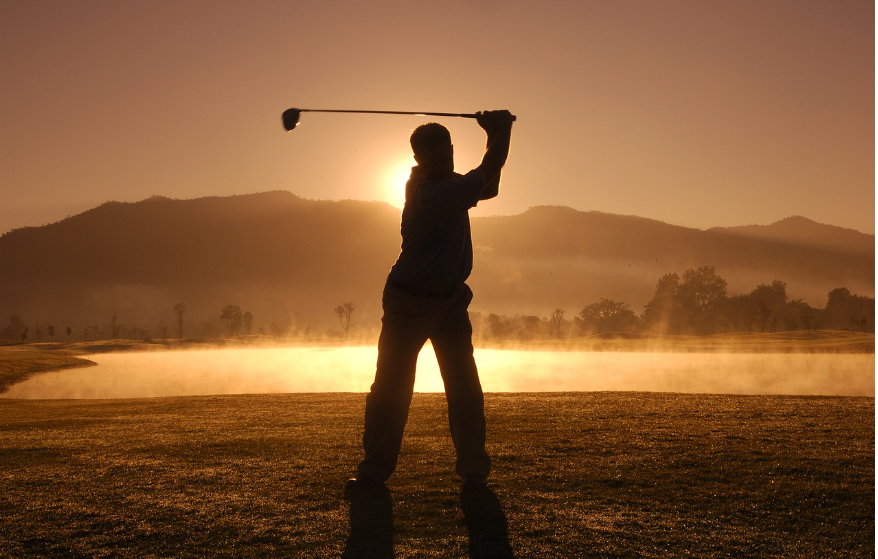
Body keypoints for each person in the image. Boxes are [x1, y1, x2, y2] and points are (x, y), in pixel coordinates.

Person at [346, 110, 514, 495]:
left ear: (451, 150)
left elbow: (488, 187)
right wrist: (501, 129)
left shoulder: (443, 182)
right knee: (391, 387)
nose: (440, 166)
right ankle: (373, 473)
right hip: (409, 301)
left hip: (450, 302)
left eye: (445, 158)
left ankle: (474, 473)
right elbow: (490, 168)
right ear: (418, 160)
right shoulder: (432, 193)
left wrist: (493, 136)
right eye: (432, 161)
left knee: (464, 387)